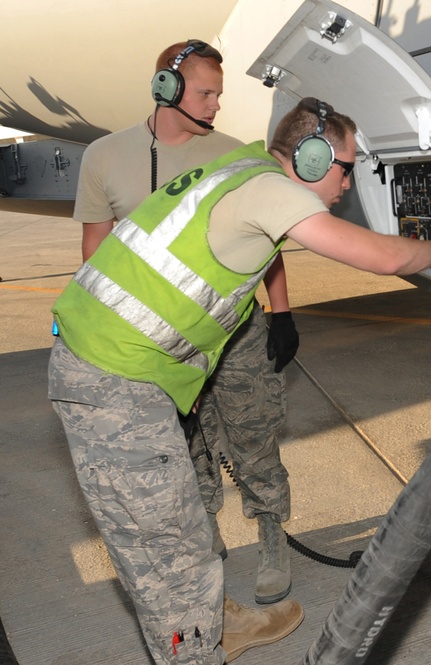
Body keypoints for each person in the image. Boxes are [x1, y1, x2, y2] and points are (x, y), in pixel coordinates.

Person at [49, 96, 431, 664]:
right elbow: (383, 258)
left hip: (118, 368)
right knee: (170, 562)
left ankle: (218, 624)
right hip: (113, 383)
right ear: (313, 160)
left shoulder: (238, 170)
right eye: (346, 167)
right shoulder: (272, 191)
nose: (348, 182)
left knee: (179, 528)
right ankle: (193, 652)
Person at [72, 39, 299, 608]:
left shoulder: (234, 156)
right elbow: (95, 256)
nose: (217, 104)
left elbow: (267, 244)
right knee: (185, 445)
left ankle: (272, 532)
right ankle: (209, 536)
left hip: (238, 330)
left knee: (254, 432)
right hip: (161, 342)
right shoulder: (104, 156)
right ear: (166, 88)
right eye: (206, 92)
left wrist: (283, 313)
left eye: (219, 94)